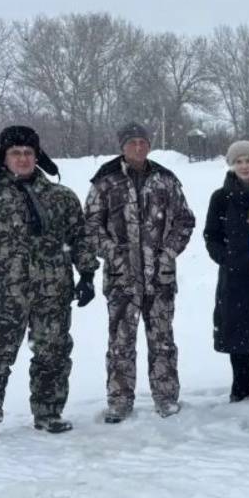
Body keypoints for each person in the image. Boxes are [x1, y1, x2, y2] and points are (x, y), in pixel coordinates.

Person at [0, 126, 98, 442]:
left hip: (54, 292)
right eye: (16, 153)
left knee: (53, 354)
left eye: (28, 153)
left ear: (37, 156)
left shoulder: (61, 196)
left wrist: (87, 275)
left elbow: (81, 237)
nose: (22, 159)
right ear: (4, 158)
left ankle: (48, 413)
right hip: (5, 294)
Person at [85, 122, 196, 422]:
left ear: (149, 145)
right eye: (132, 142)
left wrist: (168, 252)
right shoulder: (105, 182)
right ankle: (119, 401)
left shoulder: (165, 179)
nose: (138, 147)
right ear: (122, 146)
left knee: (162, 341)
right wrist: (115, 254)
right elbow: (91, 228)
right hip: (122, 279)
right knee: (120, 343)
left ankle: (166, 398)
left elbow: (185, 221)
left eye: (143, 142)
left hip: (160, 278)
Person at [203, 140, 249, 403]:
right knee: (237, 330)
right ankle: (240, 386)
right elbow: (211, 235)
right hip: (234, 277)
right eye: (239, 161)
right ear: (232, 165)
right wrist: (225, 258)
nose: (244, 166)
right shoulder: (221, 198)